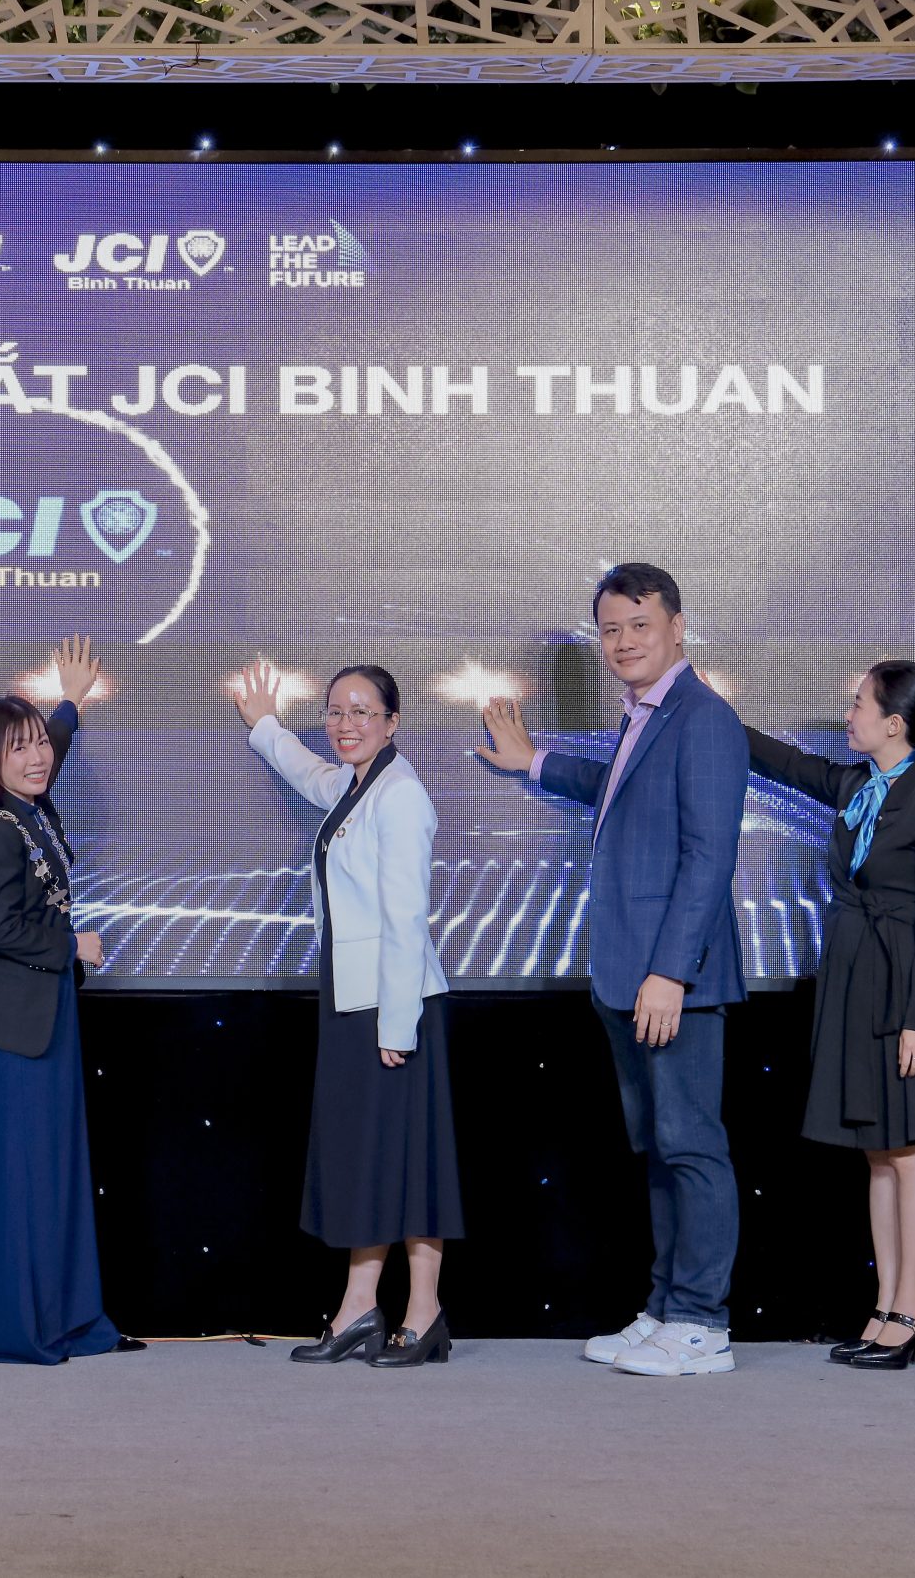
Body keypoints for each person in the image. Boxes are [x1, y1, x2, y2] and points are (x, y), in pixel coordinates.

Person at [474, 562, 748, 1377]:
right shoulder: (646, 713)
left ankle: (703, 1323)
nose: (624, 641)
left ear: (677, 627)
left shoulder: (703, 717)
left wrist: (672, 972)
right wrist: (535, 760)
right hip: (627, 975)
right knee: (661, 1147)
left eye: (640, 624)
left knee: (692, 1146)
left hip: (673, 980)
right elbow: (620, 789)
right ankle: (666, 1306)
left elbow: (709, 856)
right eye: (611, 629)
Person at [743, 662, 915, 1372]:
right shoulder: (856, 787)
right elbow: (785, 762)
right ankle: (886, 1305)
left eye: (859, 703)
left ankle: (914, 1308)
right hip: (854, 979)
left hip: (907, 987)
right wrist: (704, 706)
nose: (848, 714)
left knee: (912, 1149)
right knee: (878, 1151)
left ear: (894, 723)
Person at [238, 660, 463, 1368]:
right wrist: (266, 726)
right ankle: (359, 1306)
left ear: (392, 722)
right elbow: (309, 774)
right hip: (352, 997)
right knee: (367, 1155)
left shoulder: (400, 794)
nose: (345, 723)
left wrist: (396, 1026)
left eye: (362, 711)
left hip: (393, 1007)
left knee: (411, 1159)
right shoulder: (354, 783)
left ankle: (423, 1313)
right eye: (335, 710)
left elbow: (406, 920)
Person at [0, 636, 137, 1365]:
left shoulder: (27, 800)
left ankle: (66, 1319)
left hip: (47, 1017)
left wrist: (69, 703)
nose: (38, 758)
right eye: (20, 749)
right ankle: (16, 1329)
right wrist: (73, 946)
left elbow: (50, 741)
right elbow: (3, 930)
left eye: (41, 745)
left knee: (54, 1173)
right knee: (21, 1179)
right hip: (12, 1029)